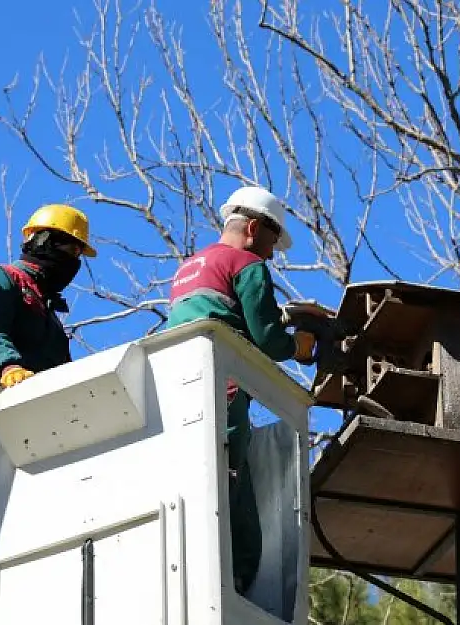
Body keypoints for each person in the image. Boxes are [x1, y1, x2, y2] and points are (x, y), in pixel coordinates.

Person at [165, 185, 324, 594]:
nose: (270, 254)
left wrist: (280, 312)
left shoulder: (189, 267)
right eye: (271, 243)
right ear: (253, 228)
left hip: (178, 387)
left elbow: (222, 310)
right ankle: (234, 581)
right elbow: (267, 338)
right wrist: (298, 346)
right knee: (227, 478)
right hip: (225, 387)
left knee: (205, 476)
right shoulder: (247, 264)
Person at [0, 203, 98, 439]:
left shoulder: (50, 314)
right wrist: (8, 367)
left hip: (43, 419)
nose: (74, 262)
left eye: (78, 255)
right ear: (44, 241)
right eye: (71, 250)